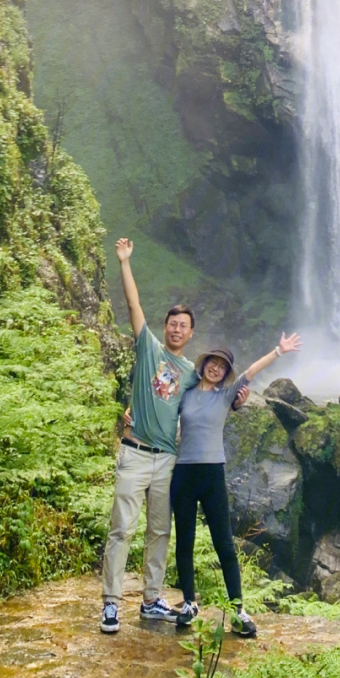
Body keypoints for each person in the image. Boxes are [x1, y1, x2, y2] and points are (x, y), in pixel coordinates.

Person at [100, 238, 247, 635]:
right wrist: (125, 263)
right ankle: (111, 604)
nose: (177, 329)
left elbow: (214, 397)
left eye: (184, 326)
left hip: (168, 459)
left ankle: (151, 599)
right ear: (164, 327)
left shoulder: (190, 374)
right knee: (122, 528)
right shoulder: (148, 346)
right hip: (134, 452)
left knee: (160, 531)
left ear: (191, 333)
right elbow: (133, 307)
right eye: (172, 323)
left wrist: (238, 402)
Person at [171, 332, 302, 639]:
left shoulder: (226, 396)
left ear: (225, 373)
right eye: (212, 363)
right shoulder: (186, 394)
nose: (215, 368)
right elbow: (162, 408)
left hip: (212, 474)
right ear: (203, 365)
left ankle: (238, 610)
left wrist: (278, 351)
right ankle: (189, 603)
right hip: (184, 474)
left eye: (221, 366)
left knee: (225, 545)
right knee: (184, 542)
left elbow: (252, 371)